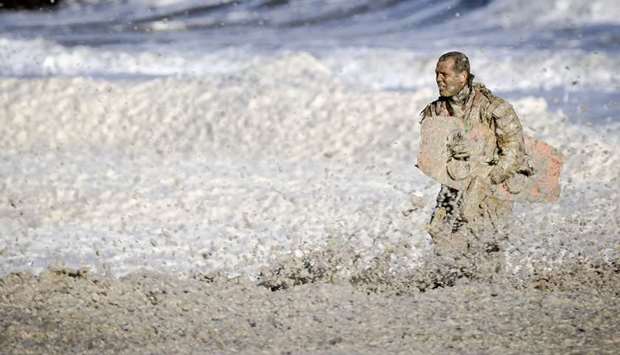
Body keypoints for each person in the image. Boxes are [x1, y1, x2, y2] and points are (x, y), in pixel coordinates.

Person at [420, 52, 531, 247]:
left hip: (492, 188)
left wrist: (486, 181)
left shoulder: (494, 108)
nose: (438, 79)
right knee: (440, 238)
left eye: (444, 74)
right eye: (437, 74)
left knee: (485, 246)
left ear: (462, 77)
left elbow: (514, 153)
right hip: (454, 186)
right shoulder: (435, 111)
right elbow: (432, 156)